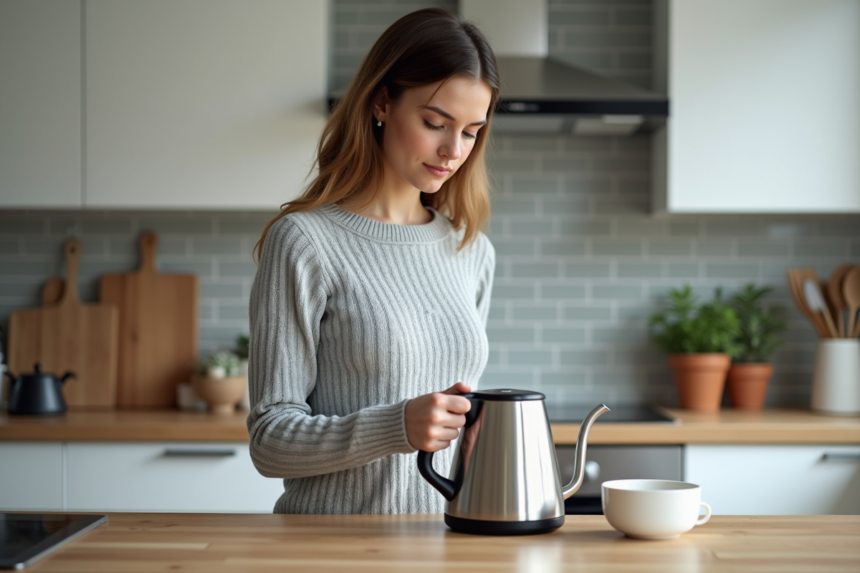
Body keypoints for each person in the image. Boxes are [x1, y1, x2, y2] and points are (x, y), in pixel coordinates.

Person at [247, 8, 500, 514]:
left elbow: (449, 438)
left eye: (472, 131)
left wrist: (479, 453)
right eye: (435, 123)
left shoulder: (471, 250)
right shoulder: (305, 242)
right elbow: (270, 441)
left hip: (444, 548)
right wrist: (396, 426)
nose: (453, 151)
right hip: (330, 551)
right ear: (382, 102)